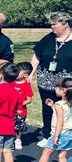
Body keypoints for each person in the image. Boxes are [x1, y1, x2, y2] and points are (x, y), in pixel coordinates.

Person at [29, 12, 72, 147]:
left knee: (67, 110)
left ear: (65, 24)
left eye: (54, 24)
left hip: (66, 85)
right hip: (46, 82)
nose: (51, 27)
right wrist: (31, 73)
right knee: (48, 108)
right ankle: (47, 135)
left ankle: (66, 137)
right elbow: (37, 56)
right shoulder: (48, 39)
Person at [23, 78, 72, 162]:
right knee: (62, 157)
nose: (56, 89)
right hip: (69, 134)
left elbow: (60, 122)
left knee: (46, 153)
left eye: (57, 88)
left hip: (59, 134)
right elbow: (65, 115)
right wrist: (52, 106)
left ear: (63, 90)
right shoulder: (68, 104)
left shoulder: (60, 105)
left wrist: (56, 136)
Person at [11, 62, 34, 150]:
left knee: (19, 127)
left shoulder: (26, 85)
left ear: (25, 75)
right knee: (10, 125)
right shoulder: (11, 82)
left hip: (21, 111)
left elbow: (29, 99)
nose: (15, 73)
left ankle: (18, 140)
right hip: (10, 110)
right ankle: (10, 140)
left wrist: (19, 104)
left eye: (18, 71)